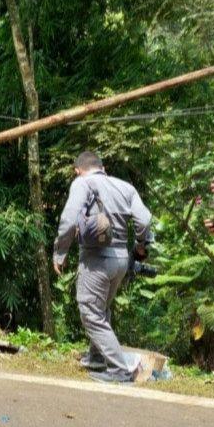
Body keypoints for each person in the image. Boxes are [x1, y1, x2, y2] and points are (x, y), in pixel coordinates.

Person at [53, 151, 152, 383]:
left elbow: (69, 219)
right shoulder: (125, 187)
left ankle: (119, 370)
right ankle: (96, 357)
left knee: (90, 311)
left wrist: (60, 252)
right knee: (102, 309)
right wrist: (140, 245)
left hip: (96, 259)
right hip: (120, 259)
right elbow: (144, 220)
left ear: (77, 170)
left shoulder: (82, 183)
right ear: (103, 167)